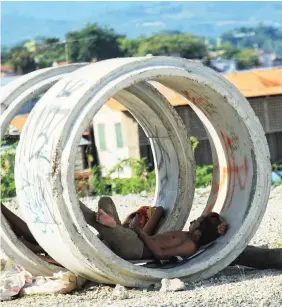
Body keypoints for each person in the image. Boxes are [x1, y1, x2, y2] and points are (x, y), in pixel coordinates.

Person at [1, 197, 228, 261]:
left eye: (196, 222)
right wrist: (152, 217)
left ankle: (62, 198)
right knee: (106, 202)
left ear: (199, 233)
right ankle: (30, 242)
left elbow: (158, 253)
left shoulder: (188, 244)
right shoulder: (185, 235)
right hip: (132, 239)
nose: (192, 221)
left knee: (93, 218)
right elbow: (151, 238)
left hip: (134, 249)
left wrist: (137, 232)